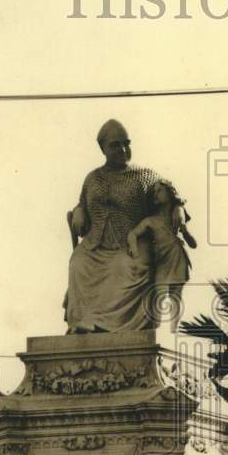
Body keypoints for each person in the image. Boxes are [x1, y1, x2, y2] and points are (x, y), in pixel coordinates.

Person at [64, 119, 160, 332]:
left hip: (130, 245)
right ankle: (83, 323)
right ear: (103, 149)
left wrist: (179, 206)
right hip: (95, 245)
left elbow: (167, 193)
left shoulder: (144, 175)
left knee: (122, 267)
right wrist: (79, 211)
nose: (123, 150)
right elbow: (82, 202)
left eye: (126, 143)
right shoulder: (93, 178)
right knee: (78, 264)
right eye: (115, 145)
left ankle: (107, 326)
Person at [127, 180, 196, 329]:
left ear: (170, 194)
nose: (155, 195)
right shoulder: (151, 221)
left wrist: (184, 230)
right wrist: (134, 249)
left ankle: (173, 331)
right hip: (162, 261)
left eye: (160, 191)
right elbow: (132, 234)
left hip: (178, 257)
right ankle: (157, 329)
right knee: (160, 295)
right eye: (154, 192)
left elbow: (193, 244)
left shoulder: (177, 215)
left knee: (176, 298)